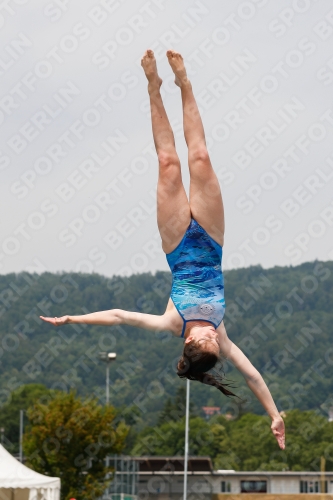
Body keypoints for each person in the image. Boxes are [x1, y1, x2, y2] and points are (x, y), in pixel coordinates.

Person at [41, 50, 285, 449]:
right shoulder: (221, 338)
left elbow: (120, 315)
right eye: (212, 340)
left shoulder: (172, 323)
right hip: (211, 240)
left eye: (203, 339)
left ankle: (153, 87)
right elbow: (255, 376)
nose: (209, 334)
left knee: (169, 162)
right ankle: (184, 83)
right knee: (201, 157)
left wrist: (72, 319)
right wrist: (275, 415)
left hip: (176, 244)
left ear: (188, 343)